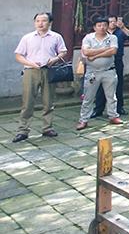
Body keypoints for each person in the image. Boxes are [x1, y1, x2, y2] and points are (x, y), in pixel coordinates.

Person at [13, 12, 68, 142]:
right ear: (34, 23)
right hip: (31, 71)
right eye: (37, 21)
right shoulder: (27, 38)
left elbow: (63, 51)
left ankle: (47, 128)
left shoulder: (56, 37)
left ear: (50, 23)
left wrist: (55, 59)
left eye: (44, 21)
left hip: (49, 71)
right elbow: (18, 56)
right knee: (27, 102)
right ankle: (23, 130)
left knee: (48, 101)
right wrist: (30, 63)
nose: (40, 23)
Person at [77, 15, 122, 130]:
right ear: (94, 27)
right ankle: (83, 120)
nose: (102, 27)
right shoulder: (88, 38)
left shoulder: (112, 38)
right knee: (88, 97)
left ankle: (113, 116)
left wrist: (95, 55)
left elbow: (113, 51)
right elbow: (86, 52)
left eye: (104, 25)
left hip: (109, 71)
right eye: (99, 25)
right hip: (92, 72)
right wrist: (105, 49)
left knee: (111, 96)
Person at [92, 15, 129, 118]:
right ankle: (98, 109)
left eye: (114, 21)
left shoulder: (120, 32)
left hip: (117, 62)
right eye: (110, 22)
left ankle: (119, 108)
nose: (112, 23)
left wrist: (123, 27)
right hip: (103, 62)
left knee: (118, 85)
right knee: (101, 86)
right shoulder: (101, 33)